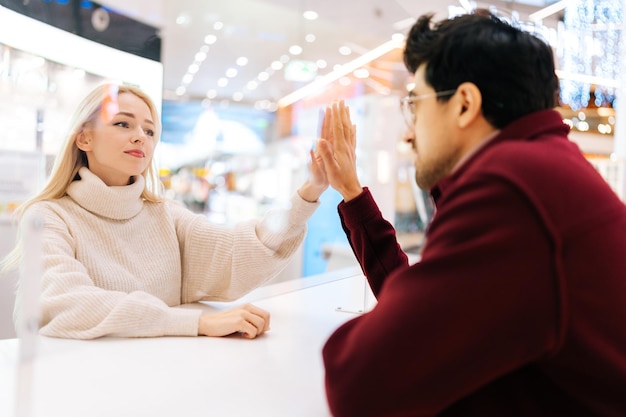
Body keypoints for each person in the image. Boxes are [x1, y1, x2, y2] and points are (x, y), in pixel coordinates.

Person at [316, 10, 626, 417]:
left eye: (416, 104)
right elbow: (430, 313)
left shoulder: (514, 188)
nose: (409, 131)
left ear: (464, 104)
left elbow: (358, 382)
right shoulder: (543, 167)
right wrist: (353, 194)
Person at [0, 83, 329, 340]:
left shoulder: (165, 215)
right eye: (122, 123)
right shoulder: (49, 217)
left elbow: (239, 249)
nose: (140, 137)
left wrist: (308, 193)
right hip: (83, 389)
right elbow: (64, 302)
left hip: (168, 380)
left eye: (149, 130)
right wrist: (195, 322)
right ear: (84, 138)